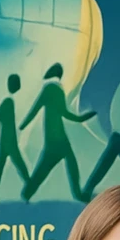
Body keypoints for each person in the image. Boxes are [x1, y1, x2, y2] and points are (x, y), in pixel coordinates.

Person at [20, 62, 98, 203]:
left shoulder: (49, 89)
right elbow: (64, 113)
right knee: (54, 165)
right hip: (58, 137)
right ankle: (77, 194)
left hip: (54, 136)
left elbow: (36, 109)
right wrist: (82, 117)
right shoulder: (54, 89)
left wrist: (23, 125)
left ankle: (27, 193)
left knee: (51, 165)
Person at [0, 73, 33, 213]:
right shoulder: (8, 102)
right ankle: (28, 192)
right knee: (20, 169)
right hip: (9, 143)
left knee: (9, 170)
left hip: (6, 143)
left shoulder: (8, 102)